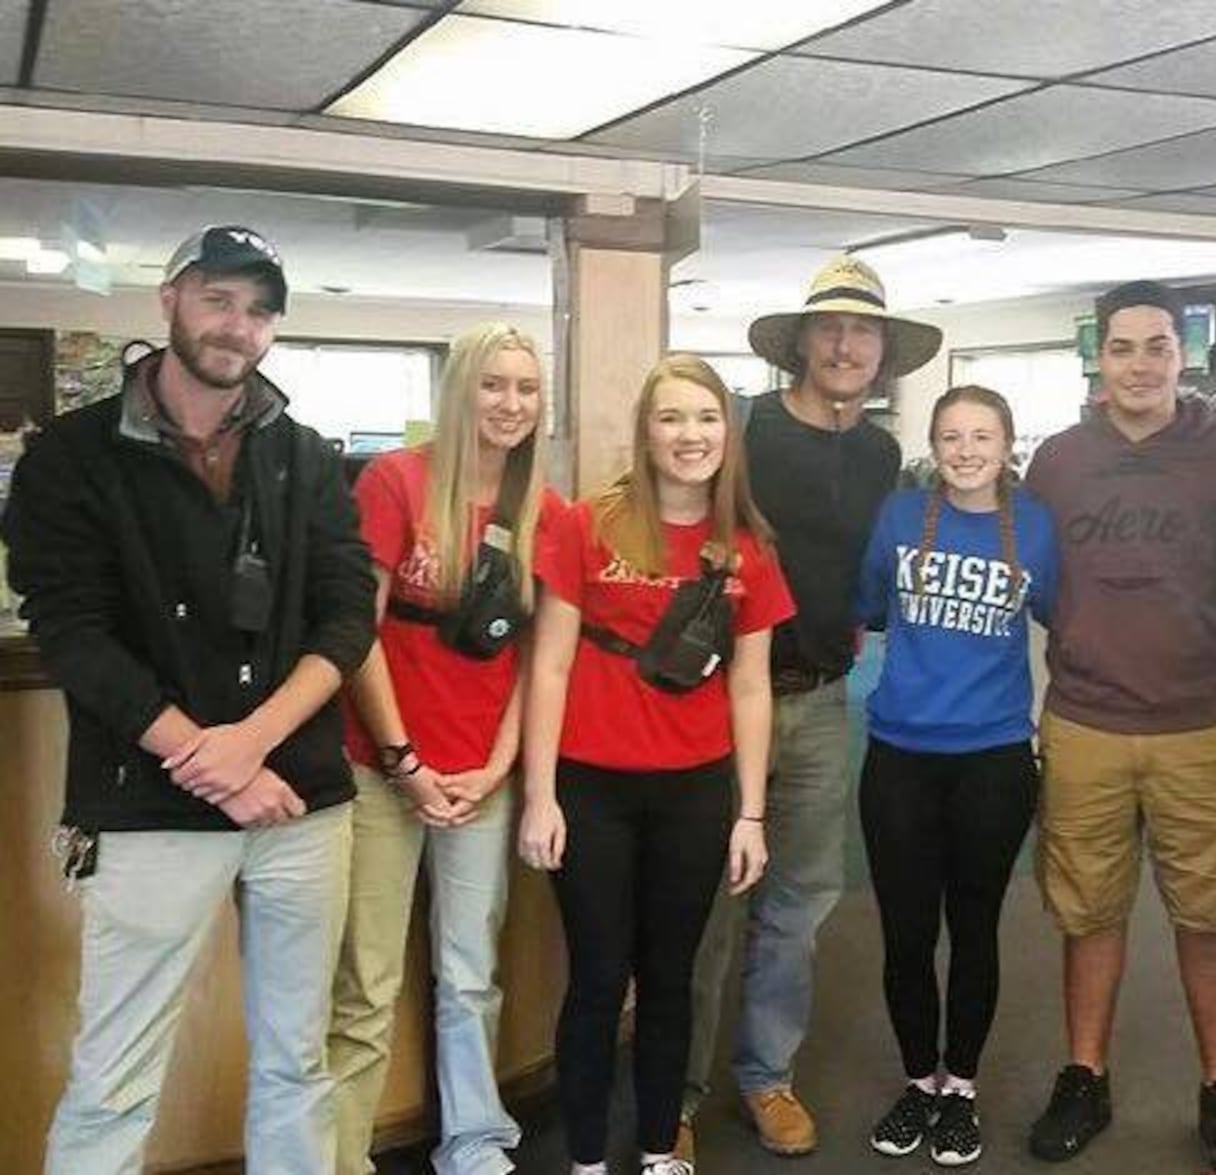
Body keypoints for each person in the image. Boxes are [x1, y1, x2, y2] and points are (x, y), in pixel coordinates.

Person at [1, 225, 376, 1173]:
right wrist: (205, 758)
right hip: (148, 798)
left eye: (257, 310)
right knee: (115, 1070)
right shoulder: (73, 456)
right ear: (169, 298)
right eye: (218, 299)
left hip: (297, 797)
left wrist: (253, 741)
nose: (236, 326)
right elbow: (73, 631)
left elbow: (346, 617)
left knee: (298, 1059)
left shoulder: (302, 453)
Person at [678, 255, 943, 1161]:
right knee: (707, 900)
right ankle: (673, 1084)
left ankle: (766, 1075)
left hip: (826, 701)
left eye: (862, 330)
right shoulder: (745, 431)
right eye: (829, 328)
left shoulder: (879, 454)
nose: (844, 343)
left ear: (882, 353)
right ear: (800, 343)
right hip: (720, 702)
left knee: (798, 900)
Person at [518, 354, 794, 1175]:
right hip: (591, 786)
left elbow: (750, 685)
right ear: (645, 430)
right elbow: (552, 667)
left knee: (670, 978)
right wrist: (540, 796)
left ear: (728, 433)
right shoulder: (585, 524)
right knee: (599, 978)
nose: (690, 435)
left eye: (707, 418)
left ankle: (655, 1149)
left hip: (696, 791)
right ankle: (588, 1160)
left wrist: (750, 813)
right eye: (671, 418)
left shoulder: (747, 548)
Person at [1024, 279, 1216, 1171]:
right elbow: (1035, 580)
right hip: (1087, 720)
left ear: (1184, 354)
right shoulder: (1056, 460)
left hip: (1203, 723)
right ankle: (1084, 1076)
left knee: (1210, 916)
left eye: (1157, 346)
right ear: (1100, 355)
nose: (1139, 364)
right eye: (1122, 346)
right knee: (1087, 912)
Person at [327, 322, 561, 1175]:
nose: (510, 403)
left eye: (526, 388)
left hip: (479, 777)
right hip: (381, 767)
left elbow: (538, 656)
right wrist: (404, 761)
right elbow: (359, 631)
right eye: (492, 385)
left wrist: (498, 767)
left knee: (469, 971)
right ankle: (341, 1153)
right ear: (460, 391)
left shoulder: (545, 508)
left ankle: (472, 1137)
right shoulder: (397, 482)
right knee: (366, 980)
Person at [854, 385, 1059, 1166]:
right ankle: (917, 1081)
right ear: (932, 445)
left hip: (995, 757)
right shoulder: (901, 517)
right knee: (906, 933)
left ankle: (961, 1087)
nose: (966, 450)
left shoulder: (1036, 527)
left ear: (1007, 444)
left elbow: (1066, 615)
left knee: (973, 929)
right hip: (900, 753)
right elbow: (872, 603)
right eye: (950, 436)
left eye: (981, 435)